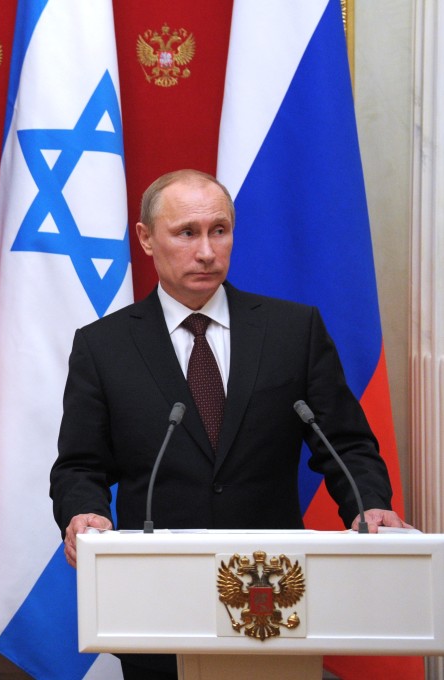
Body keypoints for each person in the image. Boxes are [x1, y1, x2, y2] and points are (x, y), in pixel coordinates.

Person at [49, 169, 411, 680]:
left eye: (219, 230)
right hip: (157, 596)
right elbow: (80, 465)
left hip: (272, 591)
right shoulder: (103, 347)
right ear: (146, 239)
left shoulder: (292, 330)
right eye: (187, 233)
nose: (206, 251)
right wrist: (84, 514)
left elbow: (346, 445)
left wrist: (370, 505)